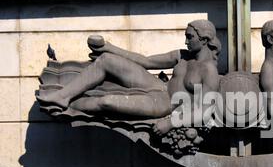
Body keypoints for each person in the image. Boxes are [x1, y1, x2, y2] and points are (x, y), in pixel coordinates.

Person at [37, 19, 221, 135]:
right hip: (157, 85)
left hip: (164, 104)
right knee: (107, 60)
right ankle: (62, 97)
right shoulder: (181, 55)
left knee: (107, 102)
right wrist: (109, 48)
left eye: (189, 37)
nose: (186, 41)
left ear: (204, 39)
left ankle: (69, 106)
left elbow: (203, 110)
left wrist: (171, 123)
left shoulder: (209, 71)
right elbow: (146, 61)